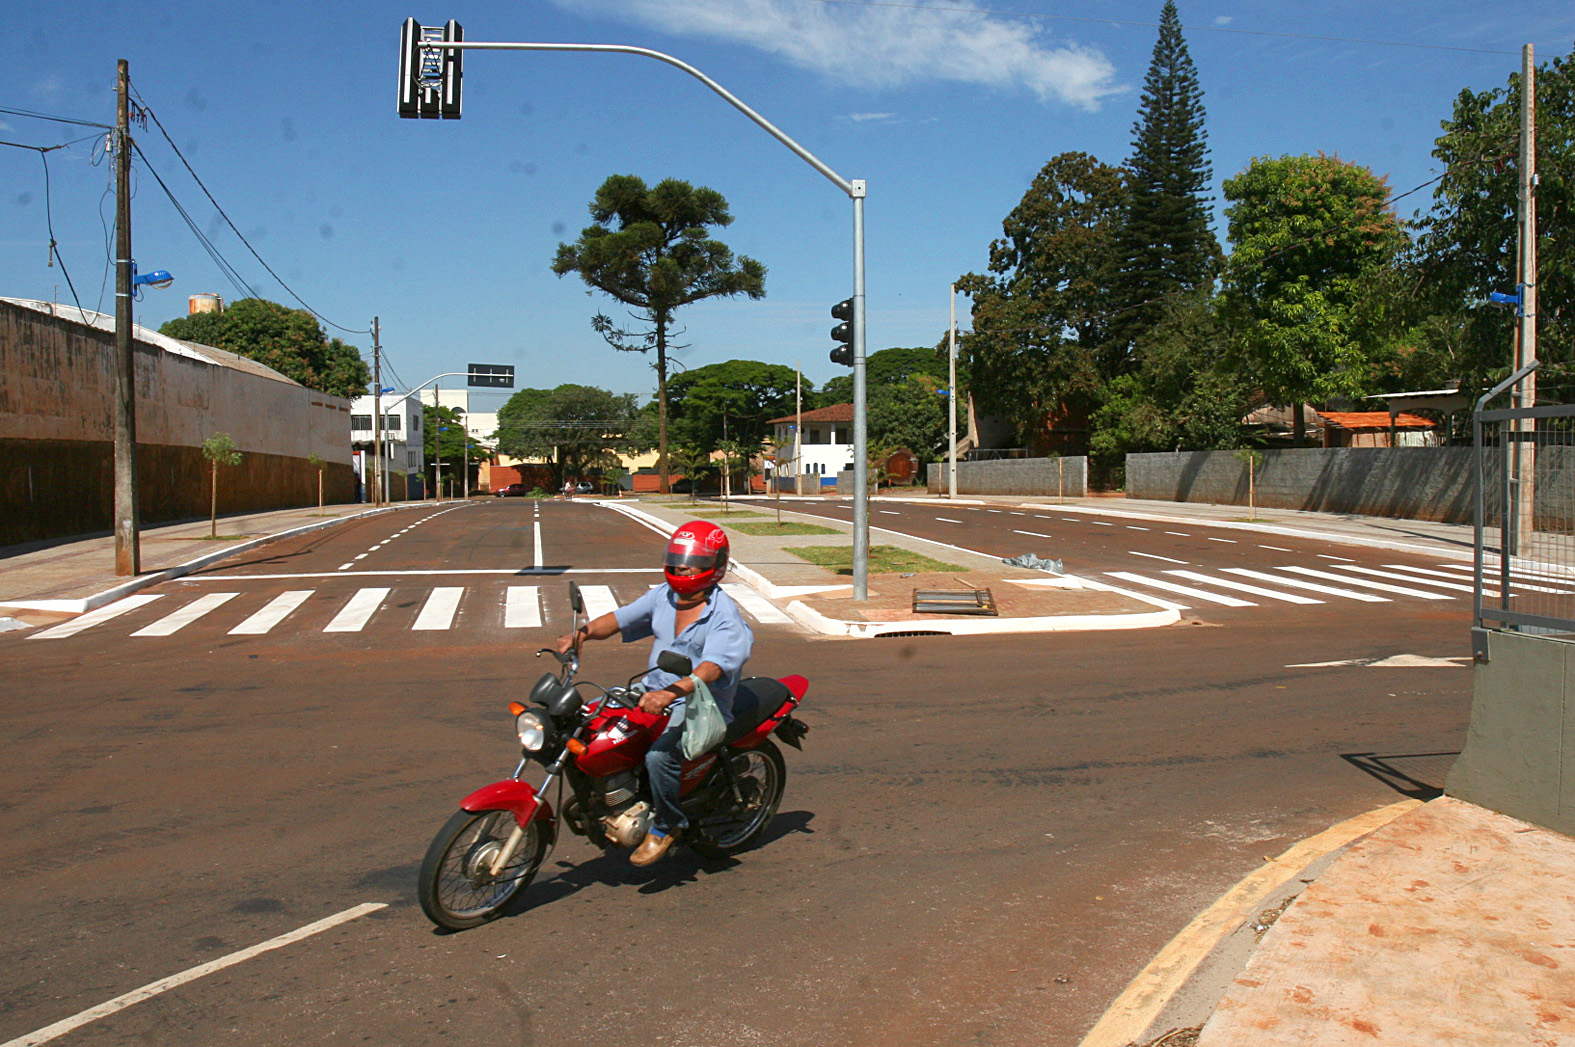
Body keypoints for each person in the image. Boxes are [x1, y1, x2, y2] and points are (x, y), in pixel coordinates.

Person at [554, 521, 753, 866]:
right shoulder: (665, 596)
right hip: (651, 691)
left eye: (691, 560)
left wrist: (670, 692)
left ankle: (667, 824)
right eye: (677, 557)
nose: (681, 566)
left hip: (699, 704)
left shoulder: (724, 616)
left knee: (659, 757)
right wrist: (582, 634)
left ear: (715, 566)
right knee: (586, 723)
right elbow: (619, 618)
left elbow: (713, 668)